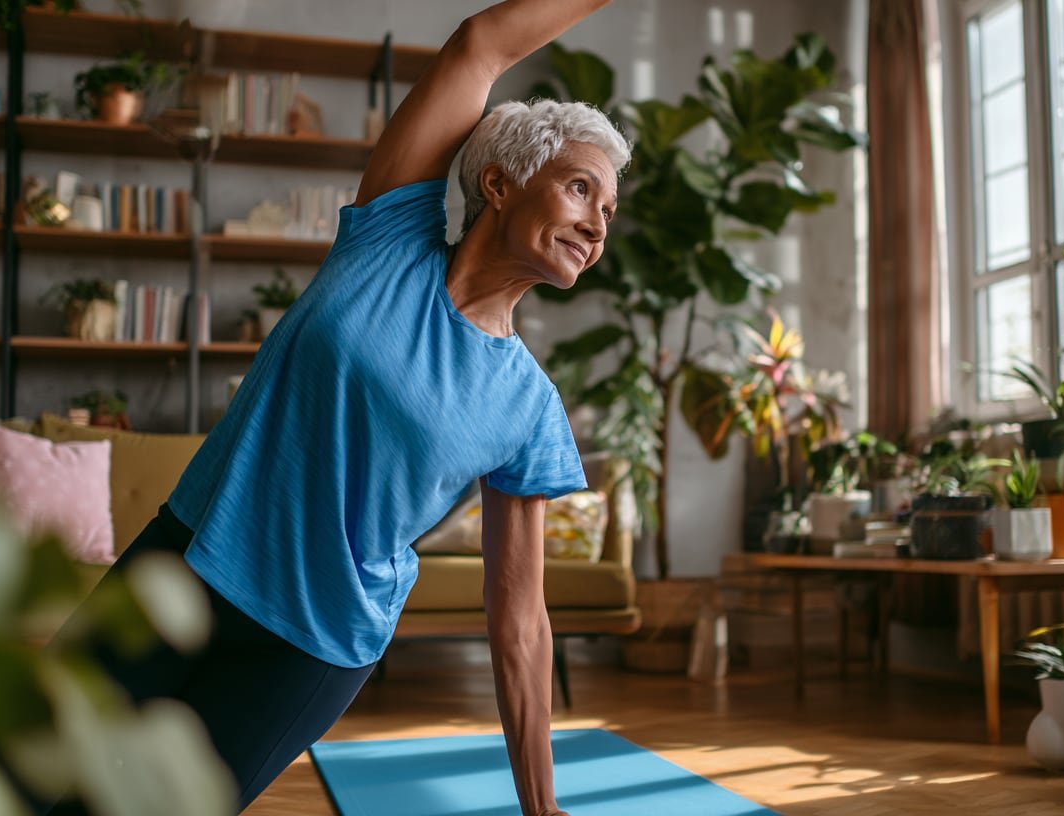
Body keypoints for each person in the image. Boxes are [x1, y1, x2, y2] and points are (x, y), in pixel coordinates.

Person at [35, 1, 629, 814]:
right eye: (580, 188)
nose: (598, 223)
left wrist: (541, 805)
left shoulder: (528, 406)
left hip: (311, 647)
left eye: (609, 211)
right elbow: (481, 46)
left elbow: (520, 620)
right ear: (498, 182)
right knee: (19, 767)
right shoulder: (388, 237)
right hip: (184, 562)